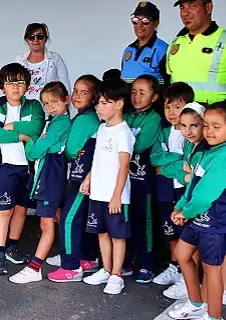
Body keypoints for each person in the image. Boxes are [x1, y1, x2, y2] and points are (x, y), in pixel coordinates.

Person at [168, 98, 226, 320]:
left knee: (212, 269)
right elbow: (193, 184)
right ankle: (195, 304)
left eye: (216, 127)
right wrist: (180, 206)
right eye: (207, 125)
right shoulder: (206, 150)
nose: (209, 131)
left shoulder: (223, 157)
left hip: (215, 224)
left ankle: (214, 316)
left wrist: (186, 212)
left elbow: (204, 195)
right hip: (198, 219)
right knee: (182, 254)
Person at [9, 81, 72, 284]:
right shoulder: (52, 122)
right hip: (46, 177)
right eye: (46, 103)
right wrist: (37, 144)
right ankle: (71, 255)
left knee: (46, 224)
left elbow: (35, 150)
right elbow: (39, 148)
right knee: (58, 217)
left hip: (49, 179)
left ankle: (35, 267)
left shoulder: (61, 123)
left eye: (55, 102)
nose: (50, 107)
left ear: (66, 100)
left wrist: (30, 140)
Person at [0, 63, 45, 275]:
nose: (16, 87)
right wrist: (21, 135)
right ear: (3, 86)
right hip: (6, 168)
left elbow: (36, 128)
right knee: (4, 211)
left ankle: (12, 246)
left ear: (27, 86)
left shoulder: (34, 106)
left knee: (21, 209)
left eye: (20, 83)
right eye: (11, 83)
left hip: (27, 168)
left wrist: (10, 128)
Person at [81, 79, 134, 295]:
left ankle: (116, 275)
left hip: (116, 197)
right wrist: (89, 179)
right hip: (98, 193)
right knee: (101, 233)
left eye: (104, 103)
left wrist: (116, 196)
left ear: (119, 104)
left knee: (117, 235)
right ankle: (105, 268)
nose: (99, 107)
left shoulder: (123, 133)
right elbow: (98, 160)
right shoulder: (102, 129)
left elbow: (124, 167)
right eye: (98, 103)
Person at [47, 75, 102, 282]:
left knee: (69, 219)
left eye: (84, 92)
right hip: (86, 175)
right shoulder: (87, 117)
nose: (77, 95)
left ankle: (70, 266)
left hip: (82, 178)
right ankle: (87, 257)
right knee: (85, 218)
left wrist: (67, 153)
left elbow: (70, 149)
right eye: (76, 91)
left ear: (94, 96)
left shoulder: (85, 119)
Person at [165, 0, 226, 104]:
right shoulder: (175, 43)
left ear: (208, 8)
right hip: (182, 121)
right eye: (182, 7)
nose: (185, 13)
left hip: (211, 121)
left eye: (192, 6)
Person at [150, 82, 194, 287]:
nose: (171, 112)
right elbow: (155, 157)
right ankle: (174, 266)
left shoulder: (191, 134)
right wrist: (176, 164)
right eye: (168, 107)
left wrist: (168, 167)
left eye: (177, 107)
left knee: (185, 232)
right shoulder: (164, 130)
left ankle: (187, 274)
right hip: (166, 190)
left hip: (184, 191)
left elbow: (190, 165)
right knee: (169, 229)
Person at [123, 75, 163, 283]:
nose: (136, 97)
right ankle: (127, 262)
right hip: (125, 180)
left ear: (154, 97)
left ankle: (147, 265)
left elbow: (139, 144)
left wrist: (121, 140)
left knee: (145, 222)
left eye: (142, 93)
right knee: (126, 221)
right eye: (134, 92)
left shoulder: (154, 119)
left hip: (144, 180)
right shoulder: (127, 115)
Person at [14, 23, 71, 100]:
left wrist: (65, 109)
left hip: (49, 109)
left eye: (40, 36)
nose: (36, 40)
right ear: (26, 40)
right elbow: (13, 87)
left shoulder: (55, 59)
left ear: (46, 38)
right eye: (31, 37)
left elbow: (65, 87)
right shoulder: (18, 61)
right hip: (24, 109)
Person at [121, 1, 170, 84]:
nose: (139, 25)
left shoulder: (163, 49)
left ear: (156, 23)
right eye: (135, 20)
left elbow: (169, 82)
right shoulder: (128, 50)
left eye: (145, 20)